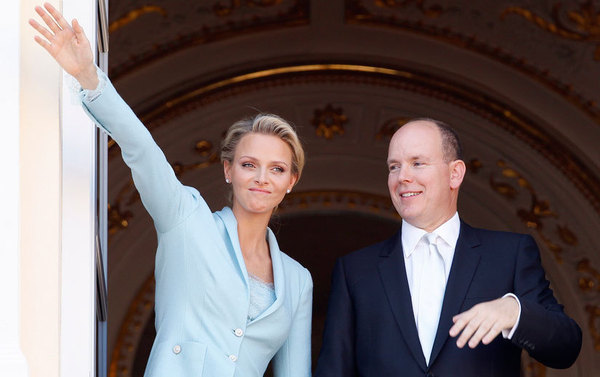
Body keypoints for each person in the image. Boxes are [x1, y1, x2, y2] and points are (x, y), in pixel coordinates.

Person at [30, 3, 312, 377]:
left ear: (291, 182)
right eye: (249, 164)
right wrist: (88, 76)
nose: (262, 178)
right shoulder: (186, 219)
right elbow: (143, 151)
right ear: (228, 170)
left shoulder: (297, 280)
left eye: (276, 169)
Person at [315, 118, 582, 376]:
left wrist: (515, 312)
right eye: (394, 167)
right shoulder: (355, 270)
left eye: (417, 163)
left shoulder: (508, 255)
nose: (402, 177)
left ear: (455, 174)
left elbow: (566, 347)